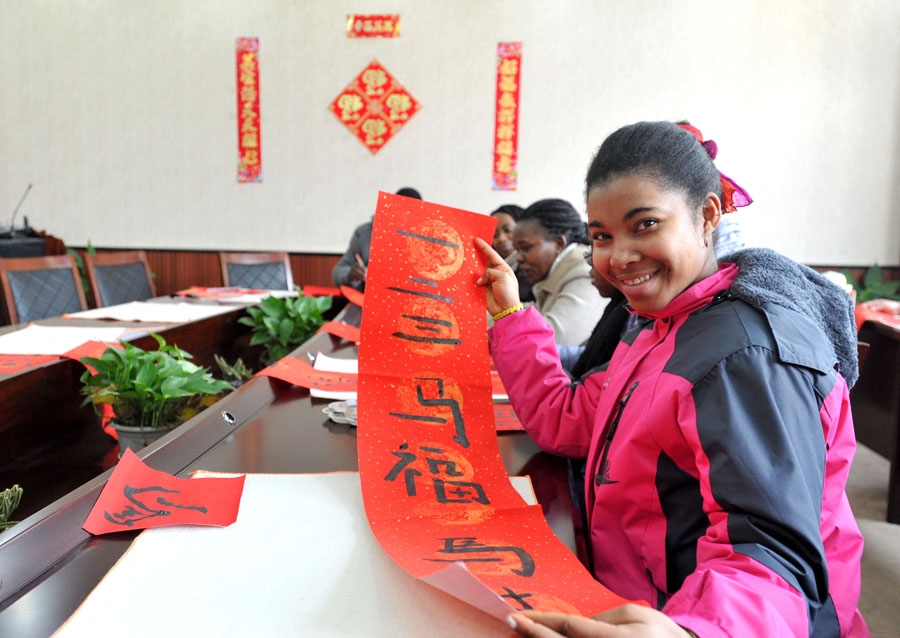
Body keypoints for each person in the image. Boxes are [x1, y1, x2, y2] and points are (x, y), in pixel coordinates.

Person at [477, 121, 867, 637]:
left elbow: (772, 559)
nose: (618, 257)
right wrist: (510, 313)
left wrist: (689, 631)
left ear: (707, 215)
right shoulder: (659, 328)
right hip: (638, 605)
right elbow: (567, 419)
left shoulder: (745, 354)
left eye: (644, 225)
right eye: (602, 236)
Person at [511, 198, 607, 346]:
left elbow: (554, 340)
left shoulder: (585, 272)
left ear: (559, 243)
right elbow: (533, 314)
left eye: (526, 248)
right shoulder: (557, 273)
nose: (519, 258)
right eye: (517, 250)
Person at [331, 187, 421, 290]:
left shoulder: (427, 241)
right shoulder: (364, 234)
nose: (404, 218)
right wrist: (350, 274)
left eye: (410, 213)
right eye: (401, 211)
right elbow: (337, 272)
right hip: (368, 299)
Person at [490, 204, 534, 302]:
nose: (501, 238)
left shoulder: (531, 267)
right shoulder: (491, 270)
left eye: (508, 230)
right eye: (495, 235)